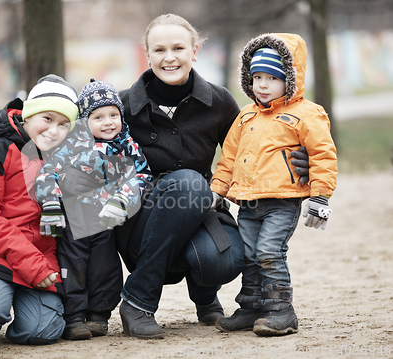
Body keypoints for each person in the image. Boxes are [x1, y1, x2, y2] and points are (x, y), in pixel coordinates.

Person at [60, 14, 309, 340]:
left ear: (194, 51)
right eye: (159, 49)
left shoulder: (218, 101)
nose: (169, 57)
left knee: (226, 258)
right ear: (147, 55)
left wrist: (294, 158)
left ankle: (204, 294)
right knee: (189, 182)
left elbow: (251, 145)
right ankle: (138, 301)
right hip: (138, 221)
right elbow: (71, 148)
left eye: (178, 47)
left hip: (201, 210)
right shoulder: (119, 107)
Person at [211, 33, 338, 336]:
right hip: (249, 203)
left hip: (283, 201)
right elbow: (229, 156)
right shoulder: (246, 116)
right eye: (257, 77)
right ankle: (252, 306)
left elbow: (322, 155)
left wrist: (320, 197)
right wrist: (218, 189)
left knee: (269, 250)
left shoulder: (306, 114)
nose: (263, 85)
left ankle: (282, 310)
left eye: (272, 77)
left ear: (290, 79)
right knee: (249, 254)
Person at [0, 74, 79, 345]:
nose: (53, 130)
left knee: (42, 331)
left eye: (64, 125)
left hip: (42, 257)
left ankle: (22, 305)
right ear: (28, 115)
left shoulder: (66, 160)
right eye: (47, 119)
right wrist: (32, 264)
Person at [34, 79, 152, 340]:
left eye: (113, 114)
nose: (108, 122)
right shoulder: (72, 145)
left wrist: (123, 199)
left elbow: (142, 176)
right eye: (98, 117)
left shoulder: (128, 146)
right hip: (73, 220)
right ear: (85, 121)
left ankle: (99, 315)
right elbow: (48, 173)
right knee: (72, 265)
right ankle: (74, 317)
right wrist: (51, 203)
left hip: (105, 221)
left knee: (105, 267)